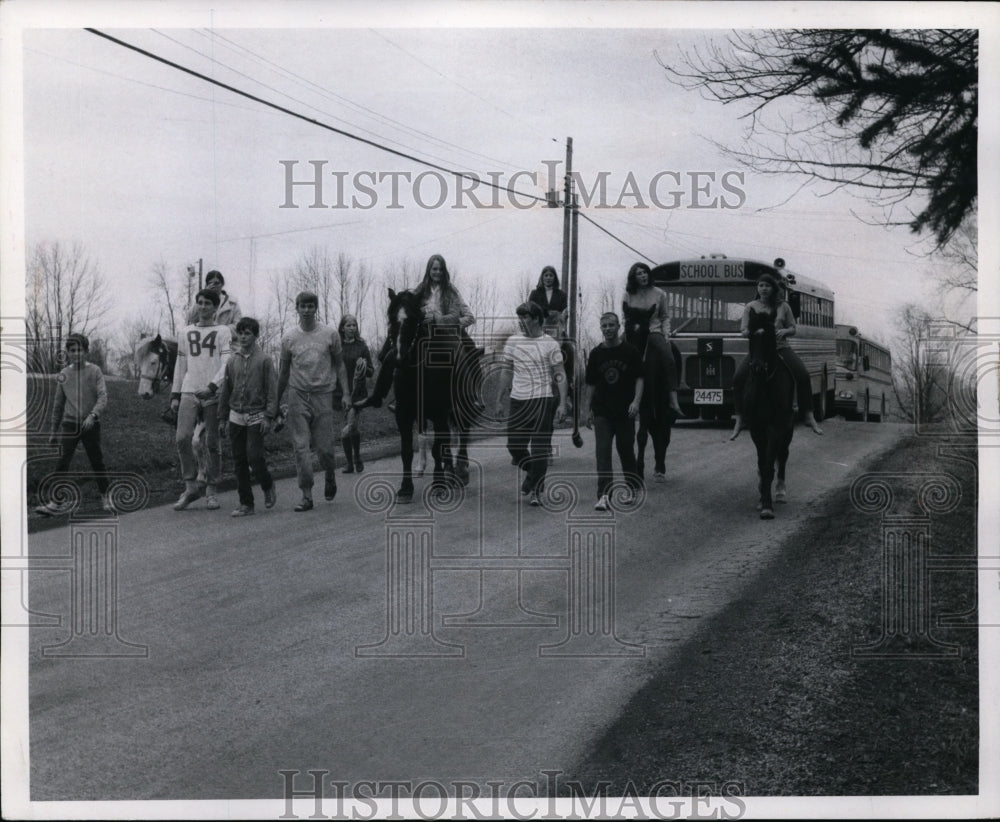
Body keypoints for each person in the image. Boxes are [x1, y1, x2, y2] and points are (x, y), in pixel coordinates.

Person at [276, 291, 351, 512]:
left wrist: (346, 393)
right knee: (300, 447)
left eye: (311, 306)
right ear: (297, 308)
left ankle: (329, 473)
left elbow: (340, 365)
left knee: (325, 448)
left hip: (323, 394)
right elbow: (283, 372)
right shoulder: (289, 338)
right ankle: (306, 494)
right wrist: (276, 401)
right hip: (297, 394)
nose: (307, 310)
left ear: (315, 308)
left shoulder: (329, 334)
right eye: (303, 306)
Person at [730, 272, 824, 440]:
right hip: (758, 351)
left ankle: (809, 415)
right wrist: (749, 332)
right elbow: (743, 329)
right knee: (738, 378)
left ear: (773, 288)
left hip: (781, 348)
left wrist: (784, 331)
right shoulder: (750, 307)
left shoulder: (784, 306)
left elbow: (793, 328)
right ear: (757, 288)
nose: (763, 289)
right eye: (760, 286)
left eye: (767, 286)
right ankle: (739, 417)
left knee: (802, 375)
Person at [496, 301, 569, 507]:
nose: (521, 321)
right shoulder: (513, 342)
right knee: (515, 446)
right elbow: (506, 371)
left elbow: (560, 374)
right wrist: (499, 399)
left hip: (542, 400)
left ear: (537, 319)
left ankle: (537, 489)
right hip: (518, 401)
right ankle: (532, 473)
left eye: (525, 317)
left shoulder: (550, 344)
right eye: (520, 317)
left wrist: (563, 403)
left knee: (539, 450)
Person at [35, 333, 113, 515]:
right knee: (62, 462)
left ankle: (106, 497)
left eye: (80, 350)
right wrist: (53, 432)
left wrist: (93, 415)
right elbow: (58, 405)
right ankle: (56, 502)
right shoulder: (64, 374)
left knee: (97, 461)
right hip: (69, 425)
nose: (76, 354)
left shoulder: (95, 371)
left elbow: (103, 397)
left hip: (90, 424)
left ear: (86, 351)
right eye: (72, 351)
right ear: (68, 353)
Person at [170, 288, 232, 511]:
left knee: (212, 442)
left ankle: (212, 490)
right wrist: (175, 394)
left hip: (213, 392)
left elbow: (227, 363)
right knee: (182, 438)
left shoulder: (223, 331)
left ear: (215, 307)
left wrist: (213, 385)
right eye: (200, 302)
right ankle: (190, 486)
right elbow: (181, 364)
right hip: (189, 390)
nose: (203, 307)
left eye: (208, 303)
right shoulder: (185, 332)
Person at [583, 312, 644, 512]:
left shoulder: (630, 351)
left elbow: (639, 378)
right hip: (602, 412)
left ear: (619, 326)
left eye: (611, 325)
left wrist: (636, 401)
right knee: (603, 452)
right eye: (604, 326)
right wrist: (587, 409)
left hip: (625, 411)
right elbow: (590, 384)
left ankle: (632, 487)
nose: (608, 329)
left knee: (625, 450)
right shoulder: (595, 354)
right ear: (601, 329)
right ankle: (603, 495)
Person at [218, 317, 278, 517]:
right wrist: (222, 418)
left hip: (256, 414)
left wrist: (269, 416)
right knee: (239, 460)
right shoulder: (232, 360)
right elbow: (226, 390)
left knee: (254, 456)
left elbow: (272, 390)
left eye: (248, 333)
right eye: (240, 333)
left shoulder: (264, 360)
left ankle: (267, 484)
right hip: (236, 415)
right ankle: (246, 503)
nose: (243, 337)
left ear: (255, 336)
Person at [623, 262, 684, 419]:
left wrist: (666, 334)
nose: (643, 276)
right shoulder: (628, 294)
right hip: (634, 331)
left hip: (653, 331)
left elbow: (664, 316)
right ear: (633, 277)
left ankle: (673, 399)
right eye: (639, 273)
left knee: (668, 355)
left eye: (645, 272)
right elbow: (626, 316)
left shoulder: (659, 293)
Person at [334, 314, 374, 473]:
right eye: (348, 325)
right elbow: (332, 368)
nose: (351, 328)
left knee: (349, 427)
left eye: (354, 325)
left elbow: (371, 371)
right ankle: (352, 461)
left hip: (357, 394)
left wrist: (364, 367)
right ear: (342, 328)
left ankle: (355, 459)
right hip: (340, 393)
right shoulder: (337, 346)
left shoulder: (362, 346)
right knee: (351, 427)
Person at [528, 265, 568, 335]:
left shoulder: (562, 295)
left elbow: (564, 315)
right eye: (546, 275)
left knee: (569, 345)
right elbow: (530, 313)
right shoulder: (534, 294)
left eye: (551, 275)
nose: (548, 278)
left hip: (556, 330)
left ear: (555, 278)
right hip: (538, 330)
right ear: (542, 278)